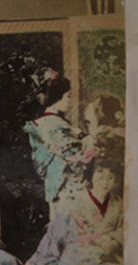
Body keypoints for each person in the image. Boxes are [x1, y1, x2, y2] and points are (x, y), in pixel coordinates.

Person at [25, 159, 123, 265]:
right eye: (100, 177)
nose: (105, 182)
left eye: (110, 178)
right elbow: (72, 230)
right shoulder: (78, 200)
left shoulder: (119, 204)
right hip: (81, 253)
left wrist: (113, 240)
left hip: (108, 256)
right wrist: (94, 239)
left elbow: (124, 228)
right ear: (91, 177)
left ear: (115, 180)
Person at [23, 72, 95, 218]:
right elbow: (73, 154)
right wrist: (92, 142)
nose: (71, 101)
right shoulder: (50, 124)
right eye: (68, 96)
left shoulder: (54, 122)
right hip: (64, 183)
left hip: (61, 180)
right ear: (57, 97)